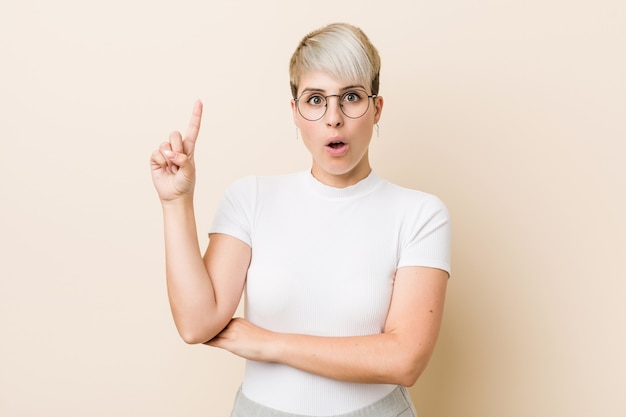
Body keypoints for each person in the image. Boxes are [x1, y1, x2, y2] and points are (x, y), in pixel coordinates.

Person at [150, 22, 450, 417]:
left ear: (377, 108)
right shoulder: (250, 198)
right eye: (315, 100)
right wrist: (176, 202)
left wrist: (270, 344)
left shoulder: (420, 214)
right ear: (294, 112)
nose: (334, 118)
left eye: (352, 97)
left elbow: (404, 360)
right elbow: (196, 323)